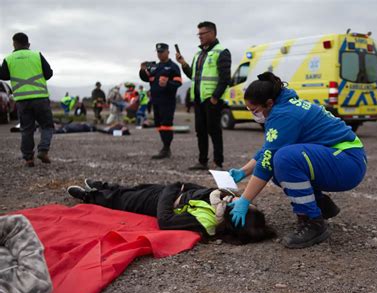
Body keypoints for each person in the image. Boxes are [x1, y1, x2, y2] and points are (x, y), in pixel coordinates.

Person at [227, 72, 367, 249]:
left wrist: (245, 200)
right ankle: (320, 204)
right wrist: (244, 171)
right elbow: (269, 149)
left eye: (255, 110)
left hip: (348, 162)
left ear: (269, 103)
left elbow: (267, 162)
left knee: (284, 160)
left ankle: (314, 222)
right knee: (280, 166)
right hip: (343, 157)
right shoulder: (284, 106)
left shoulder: (283, 115)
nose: (253, 115)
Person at [66, 179, 275, 244]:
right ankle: (104, 185)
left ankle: (89, 196)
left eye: (243, 206)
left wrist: (173, 188)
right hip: (170, 192)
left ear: (233, 216)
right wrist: (182, 186)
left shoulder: (206, 221)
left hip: (161, 200)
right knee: (134, 188)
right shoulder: (222, 200)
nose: (241, 200)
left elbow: (165, 221)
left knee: (122, 200)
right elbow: (200, 190)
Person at [176, 21, 231, 170]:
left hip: (211, 100)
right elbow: (193, 75)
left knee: (214, 131)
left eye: (202, 34)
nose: (199, 37)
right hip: (198, 100)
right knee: (200, 131)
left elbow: (225, 78)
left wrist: (215, 98)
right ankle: (202, 161)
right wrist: (184, 64)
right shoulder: (198, 54)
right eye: (198, 34)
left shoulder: (222, 51)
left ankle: (218, 162)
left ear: (212, 33)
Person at [0, 33, 54, 167]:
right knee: (47, 126)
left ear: (14, 44)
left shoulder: (9, 59)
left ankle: (29, 158)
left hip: (22, 100)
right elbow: (49, 74)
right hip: (40, 98)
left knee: (26, 129)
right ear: (28, 44)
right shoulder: (37, 55)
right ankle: (43, 150)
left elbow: (3, 75)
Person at [140, 43, 182, 159]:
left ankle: (166, 148)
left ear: (168, 52)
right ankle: (165, 146)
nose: (159, 54)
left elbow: (178, 82)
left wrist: (167, 83)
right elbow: (145, 78)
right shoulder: (155, 67)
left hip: (167, 102)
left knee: (166, 125)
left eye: (162, 52)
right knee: (158, 124)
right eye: (158, 52)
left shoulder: (173, 66)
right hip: (156, 101)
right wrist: (142, 70)